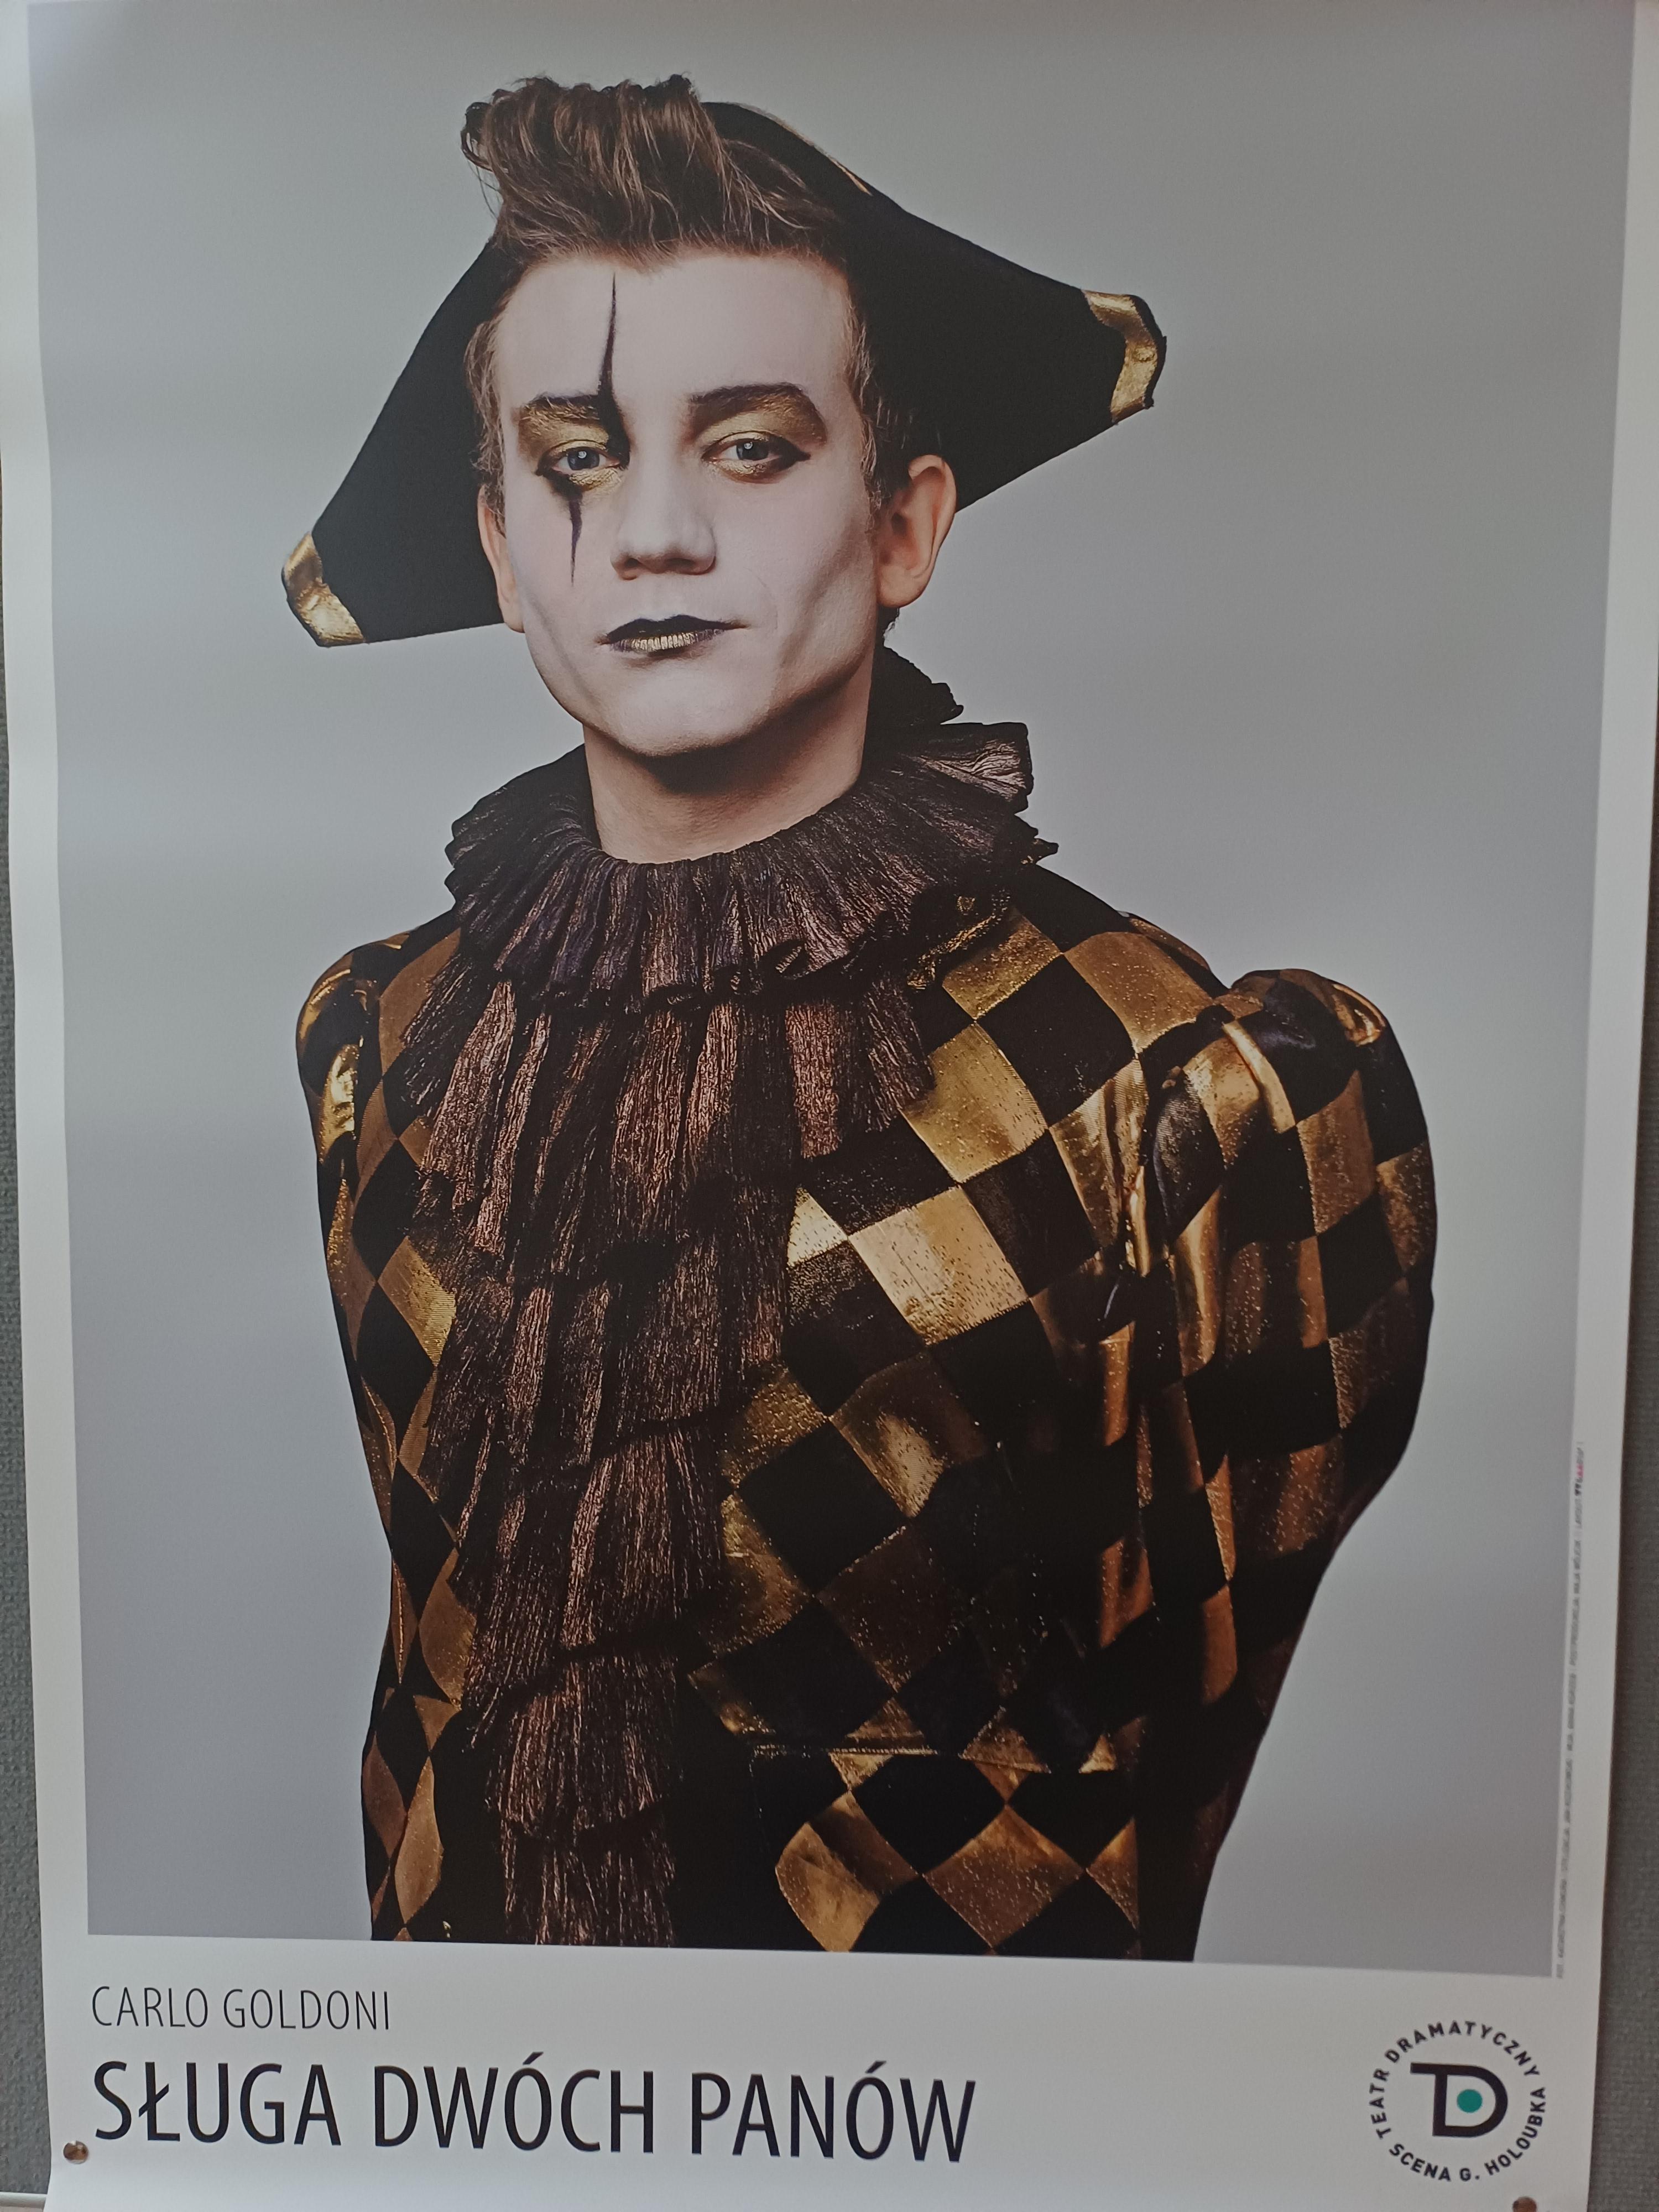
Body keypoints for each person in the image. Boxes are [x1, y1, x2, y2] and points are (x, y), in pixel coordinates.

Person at [291, 76, 1435, 1958]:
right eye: (575, 461)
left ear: (905, 524)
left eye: (750, 448)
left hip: (958, 2092)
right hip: (480, 2090)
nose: (655, 534)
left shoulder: (1182, 1089)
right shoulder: (378, 1043)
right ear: (495, 544)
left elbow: (1175, 1759)